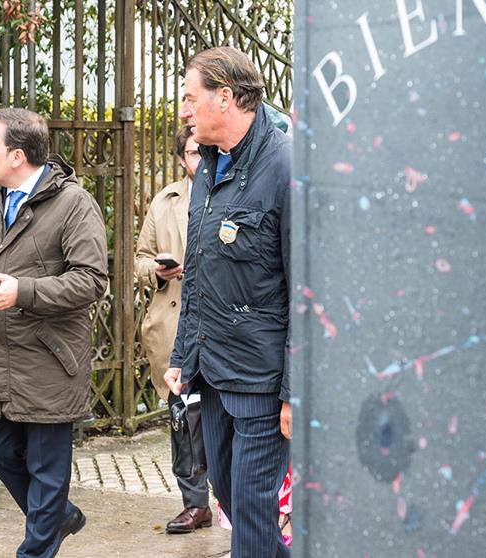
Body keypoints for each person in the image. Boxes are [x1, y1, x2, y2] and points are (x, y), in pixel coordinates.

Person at [0, 107, 108, 558]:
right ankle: (58, 514)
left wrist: (23, 292)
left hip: (49, 357)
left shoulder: (73, 204)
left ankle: (36, 547)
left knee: (48, 471)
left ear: (17, 155)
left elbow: (91, 279)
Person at [164, 46, 292, 558]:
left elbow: (307, 289)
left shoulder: (286, 165)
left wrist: (294, 389)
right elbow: (197, 275)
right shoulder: (209, 169)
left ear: (226, 97)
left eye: (190, 98)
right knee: (230, 494)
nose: (183, 110)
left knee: (254, 511)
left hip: (262, 380)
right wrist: (181, 356)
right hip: (213, 373)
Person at [134, 125, 212, 534]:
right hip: (175, 321)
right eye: (194, 152)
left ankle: (236, 497)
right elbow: (139, 259)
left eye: (206, 150)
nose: (201, 158)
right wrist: (159, 272)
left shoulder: (233, 193)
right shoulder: (165, 202)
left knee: (221, 417)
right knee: (182, 417)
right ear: (183, 158)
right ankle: (195, 503)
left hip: (221, 327)